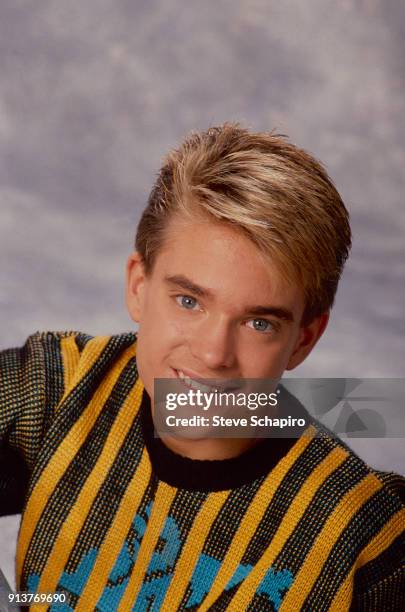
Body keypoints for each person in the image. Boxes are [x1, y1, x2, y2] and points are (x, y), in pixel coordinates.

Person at [0, 124, 403, 611]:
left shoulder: (364, 538)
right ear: (138, 287)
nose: (214, 354)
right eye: (189, 300)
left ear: (304, 340)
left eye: (259, 323)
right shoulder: (58, 386)